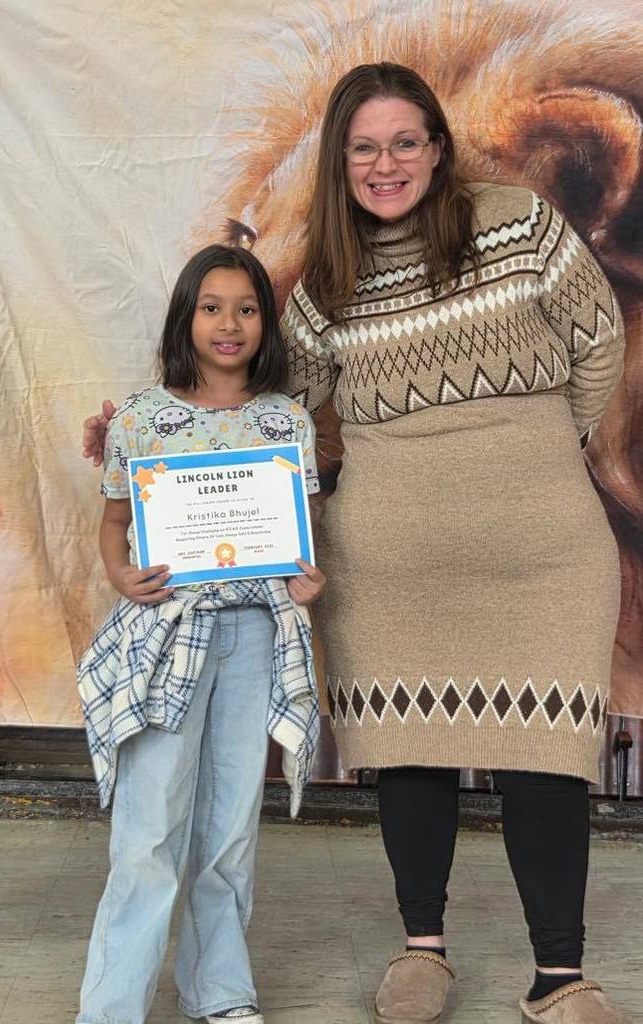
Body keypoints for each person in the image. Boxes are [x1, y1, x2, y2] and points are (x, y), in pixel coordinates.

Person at [82, 64, 629, 1024]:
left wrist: (532, 449)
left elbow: (596, 349)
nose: (385, 165)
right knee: (407, 749)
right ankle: (423, 949)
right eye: (363, 147)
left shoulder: (521, 222)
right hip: (386, 559)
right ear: (342, 161)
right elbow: (269, 400)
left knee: (547, 753)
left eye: (404, 142)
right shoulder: (329, 276)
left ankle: (558, 976)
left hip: (543, 549)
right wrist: (149, 432)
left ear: (437, 146)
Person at [76, 243, 326, 1024]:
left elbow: (300, 532)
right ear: (186, 317)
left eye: (246, 309)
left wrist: (304, 577)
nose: (229, 324)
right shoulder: (144, 418)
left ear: (264, 323)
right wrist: (121, 575)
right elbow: (114, 525)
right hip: (164, 638)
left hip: (255, 635)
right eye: (211, 307)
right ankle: (111, 1007)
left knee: (229, 829)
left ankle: (218, 991)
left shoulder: (286, 420)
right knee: (149, 831)